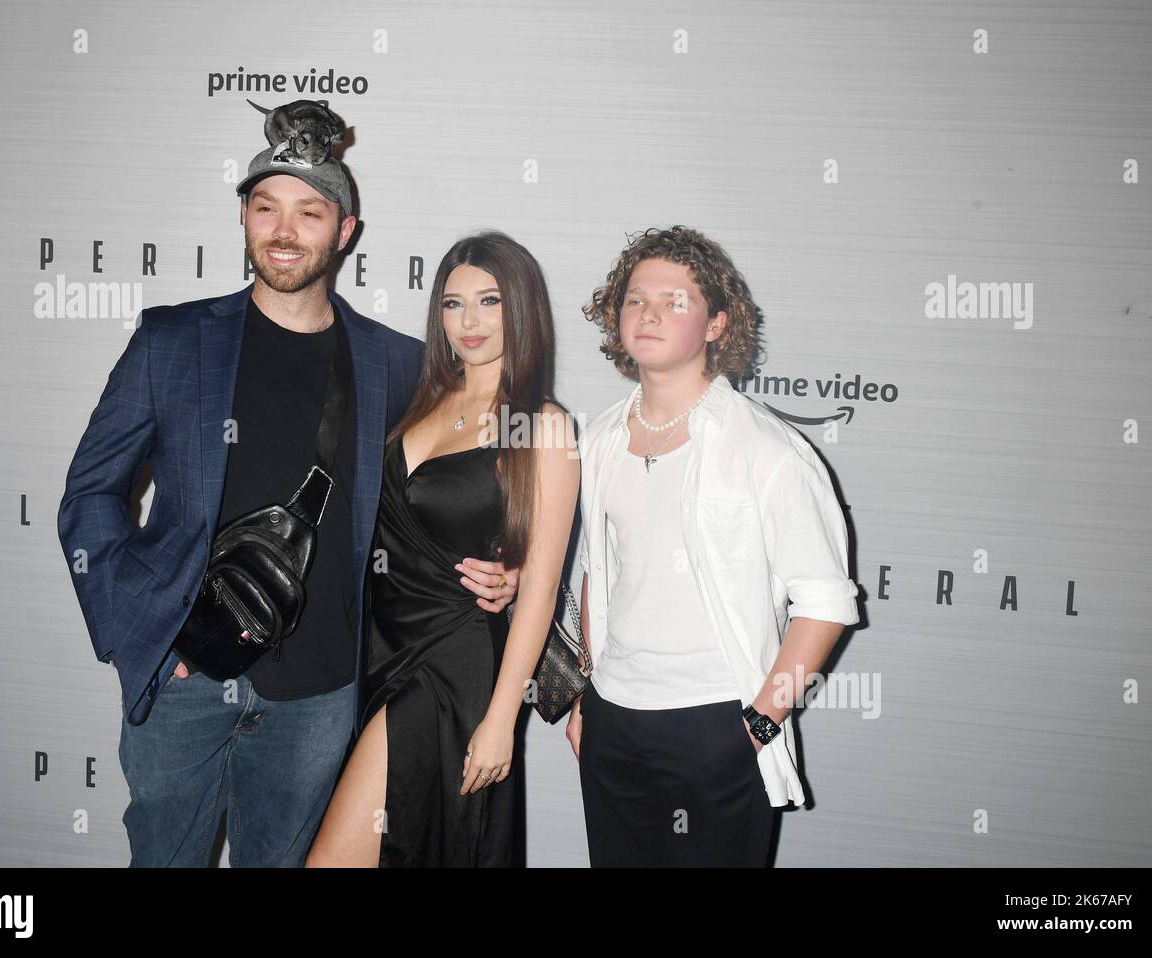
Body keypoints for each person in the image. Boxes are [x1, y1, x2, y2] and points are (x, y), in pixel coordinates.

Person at [56, 101, 518, 867]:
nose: (283, 229)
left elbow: (460, 481)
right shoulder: (172, 341)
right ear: (243, 216)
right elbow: (89, 494)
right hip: (185, 680)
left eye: (309, 212)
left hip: (322, 690)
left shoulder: (396, 365)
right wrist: (141, 625)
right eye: (266, 207)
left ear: (345, 232)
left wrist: (513, 569)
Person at [566, 225, 860, 867]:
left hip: (717, 723)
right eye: (636, 299)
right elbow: (597, 572)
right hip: (612, 719)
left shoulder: (767, 450)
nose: (649, 314)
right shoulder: (600, 439)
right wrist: (587, 690)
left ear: (718, 323)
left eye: (676, 301)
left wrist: (758, 724)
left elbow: (826, 603)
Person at [306, 231, 580, 867]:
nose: (470, 321)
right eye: (453, 304)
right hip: (379, 651)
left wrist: (501, 718)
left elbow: (539, 586)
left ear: (522, 307)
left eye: (489, 301)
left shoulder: (542, 424)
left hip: (450, 669)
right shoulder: (420, 397)